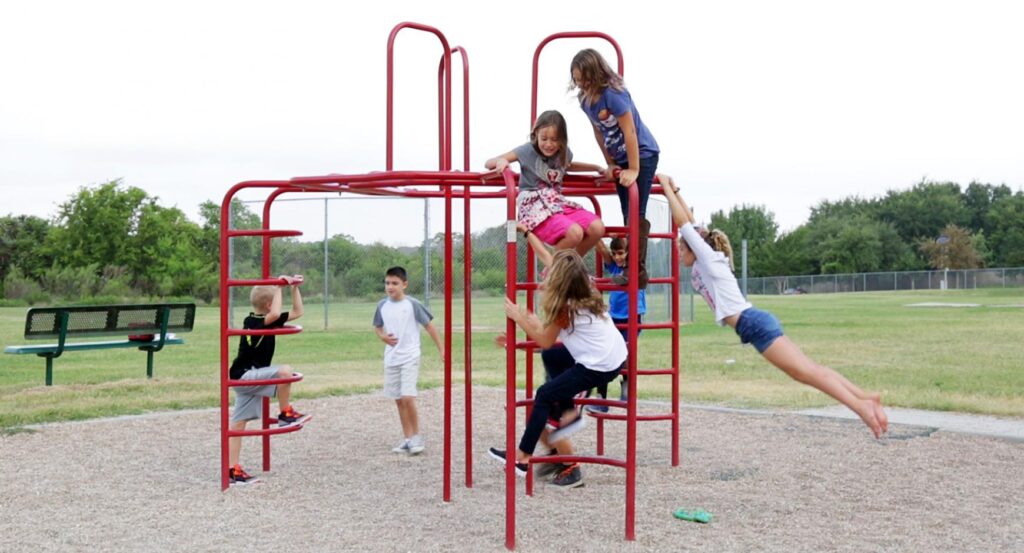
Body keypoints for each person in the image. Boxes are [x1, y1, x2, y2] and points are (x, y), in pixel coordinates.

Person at [658, 176, 888, 438]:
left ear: (694, 248)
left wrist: (666, 188)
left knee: (805, 373)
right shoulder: (704, 262)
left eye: (680, 247)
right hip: (754, 322)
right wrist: (675, 191)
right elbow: (691, 222)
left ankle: (862, 409)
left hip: (753, 324)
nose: (677, 252)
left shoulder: (708, 259)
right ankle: (865, 397)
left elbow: (685, 224)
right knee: (808, 370)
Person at [488, 250, 627, 486]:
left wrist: (518, 317)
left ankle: (522, 458)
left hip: (599, 366)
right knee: (553, 357)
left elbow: (544, 339)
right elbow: (548, 337)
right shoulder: (587, 292)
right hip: (615, 355)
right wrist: (525, 317)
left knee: (544, 395)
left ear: (559, 280)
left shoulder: (566, 307)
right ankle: (569, 412)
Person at [570, 48, 660, 288]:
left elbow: (630, 131)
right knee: (628, 213)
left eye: (586, 80)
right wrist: (610, 162)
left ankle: (636, 272)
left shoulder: (614, 93)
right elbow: (598, 131)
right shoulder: (585, 99)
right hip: (620, 158)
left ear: (597, 75)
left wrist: (633, 168)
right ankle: (634, 270)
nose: (582, 85)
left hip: (642, 153)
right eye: (577, 81)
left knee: (634, 213)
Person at [485, 110, 606, 257]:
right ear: (535, 134)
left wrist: (595, 168)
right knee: (575, 233)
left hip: (555, 201)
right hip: (533, 204)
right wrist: (502, 161)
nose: (549, 144)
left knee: (597, 228)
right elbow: (489, 162)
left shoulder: (563, 153)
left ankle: (571, 267)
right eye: (544, 138)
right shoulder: (527, 150)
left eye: (555, 139)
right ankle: (554, 271)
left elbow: (567, 165)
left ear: (562, 139)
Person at [227, 276, 308, 485]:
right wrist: (280, 286)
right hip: (245, 375)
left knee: (238, 424)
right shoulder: (252, 321)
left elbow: (298, 312)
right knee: (285, 371)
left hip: (249, 376)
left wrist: (293, 288)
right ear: (270, 304)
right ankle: (285, 413)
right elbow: (273, 314)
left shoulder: (268, 318)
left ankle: (232, 469)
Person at [373, 266, 444, 455]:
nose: (390, 287)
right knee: (398, 400)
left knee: (408, 397)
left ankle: (416, 437)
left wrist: (442, 350)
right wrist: (383, 337)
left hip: (410, 356)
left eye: (395, 283)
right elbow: (378, 327)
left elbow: (430, 327)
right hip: (391, 359)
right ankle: (407, 438)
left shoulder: (412, 304)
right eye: (387, 283)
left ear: (404, 285)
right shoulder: (382, 305)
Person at [591, 237, 648, 410]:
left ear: (630, 252)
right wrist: (591, 229)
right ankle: (601, 398)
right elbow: (600, 247)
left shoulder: (636, 268)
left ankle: (627, 388)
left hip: (632, 316)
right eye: (614, 253)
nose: (617, 257)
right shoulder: (615, 267)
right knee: (605, 354)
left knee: (625, 354)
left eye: (621, 253)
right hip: (613, 317)